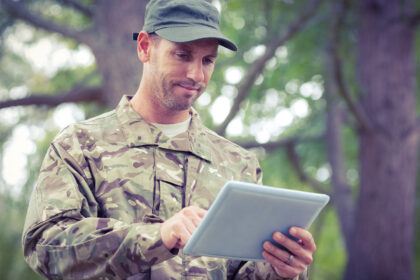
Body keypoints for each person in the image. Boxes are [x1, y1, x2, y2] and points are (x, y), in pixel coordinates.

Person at [22, 0, 317, 279]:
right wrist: (158, 237)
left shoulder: (239, 165)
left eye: (208, 60)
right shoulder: (80, 146)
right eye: (182, 55)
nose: (196, 74)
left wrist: (281, 269)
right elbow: (45, 248)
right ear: (145, 47)